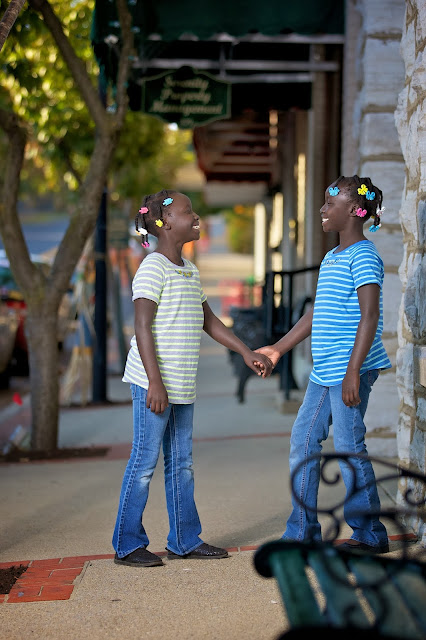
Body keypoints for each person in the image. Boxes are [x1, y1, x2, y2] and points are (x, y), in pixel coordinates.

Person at [113, 189, 272, 567]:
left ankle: (184, 539)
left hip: (181, 384)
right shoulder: (152, 267)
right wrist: (154, 382)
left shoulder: (188, 269)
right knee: (144, 462)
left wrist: (246, 351)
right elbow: (141, 326)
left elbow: (209, 321)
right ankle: (127, 543)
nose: (196, 216)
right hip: (153, 383)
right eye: (188, 211)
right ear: (165, 222)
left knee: (181, 462)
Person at [256, 175, 391, 553]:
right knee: (303, 440)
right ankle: (302, 531)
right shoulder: (332, 258)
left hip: (350, 369)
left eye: (330, 204)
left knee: (348, 446)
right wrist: (277, 350)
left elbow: (369, 316)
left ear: (354, 210)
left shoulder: (364, 256)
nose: (322, 209)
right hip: (325, 370)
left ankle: (370, 533)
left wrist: (353, 371)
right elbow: (316, 313)